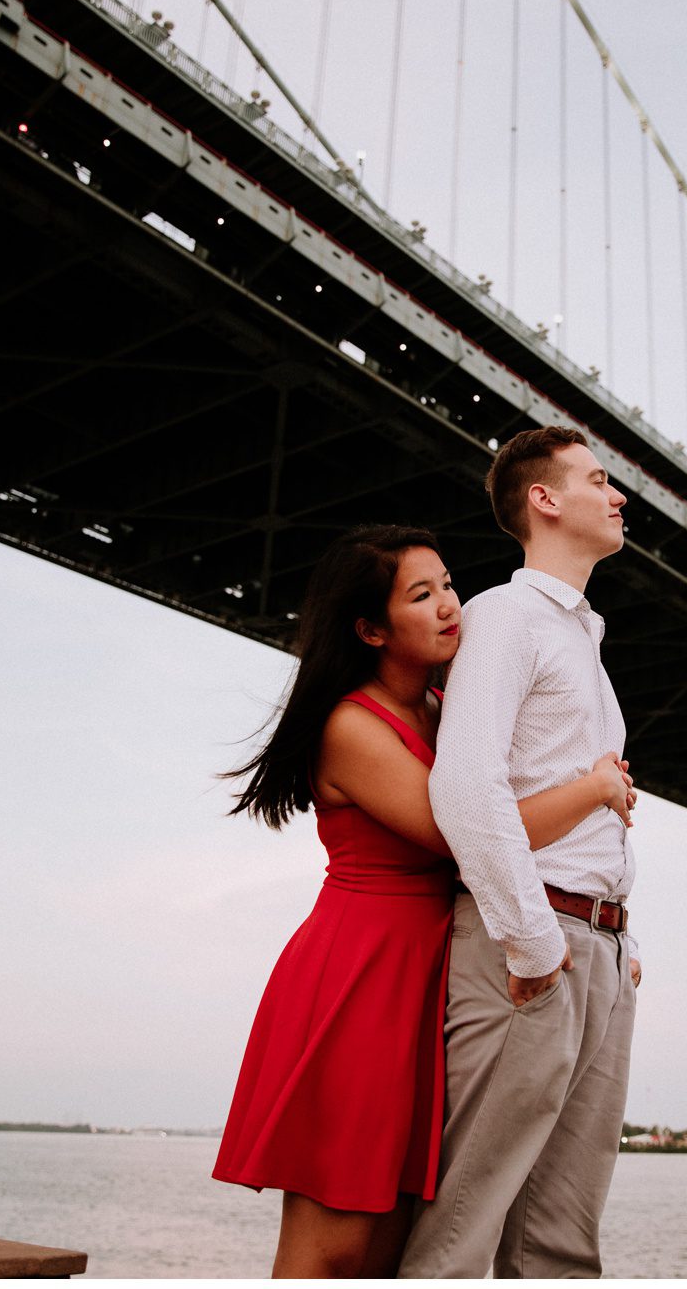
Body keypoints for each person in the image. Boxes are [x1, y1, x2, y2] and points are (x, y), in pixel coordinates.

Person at [212, 524, 636, 1279]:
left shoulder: (446, 711)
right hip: (362, 977)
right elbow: (468, 837)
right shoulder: (351, 725)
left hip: (431, 971)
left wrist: (608, 933)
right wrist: (596, 789)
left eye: (447, 585)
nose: (451, 606)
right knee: (338, 1240)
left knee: (396, 1235)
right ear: (371, 630)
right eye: (421, 595)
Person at [399, 427, 640, 1279]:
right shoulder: (506, 615)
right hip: (530, 948)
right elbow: (466, 789)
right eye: (599, 480)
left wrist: (620, 941)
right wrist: (536, 941)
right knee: (467, 1223)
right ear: (544, 499)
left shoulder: (583, 638)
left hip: (595, 950)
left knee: (562, 1239)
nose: (618, 498)